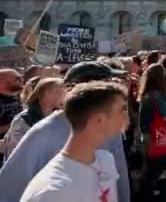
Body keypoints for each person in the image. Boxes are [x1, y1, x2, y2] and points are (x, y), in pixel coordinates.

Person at [0, 61, 130, 202]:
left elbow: (120, 181)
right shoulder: (44, 133)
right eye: (111, 86)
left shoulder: (107, 150)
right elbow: (9, 188)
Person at [137, 63, 166, 200]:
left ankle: (148, 188)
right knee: (152, 166)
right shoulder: (157, 96)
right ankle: (147, 191)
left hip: (149, 134)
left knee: (150, 165)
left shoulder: (147, 95)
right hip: (154, 135)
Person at [3, 78, 65, 158]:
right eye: (56, 91)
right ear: (40, 94)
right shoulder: (24, 119)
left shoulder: (61, 117)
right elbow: (14, 151)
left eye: (63, 92)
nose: (61, 95)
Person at [0, 69, 23, 139]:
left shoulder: (16, 94)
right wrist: (14, 125)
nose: (21, 80)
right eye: (17, 78)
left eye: (20, 77)